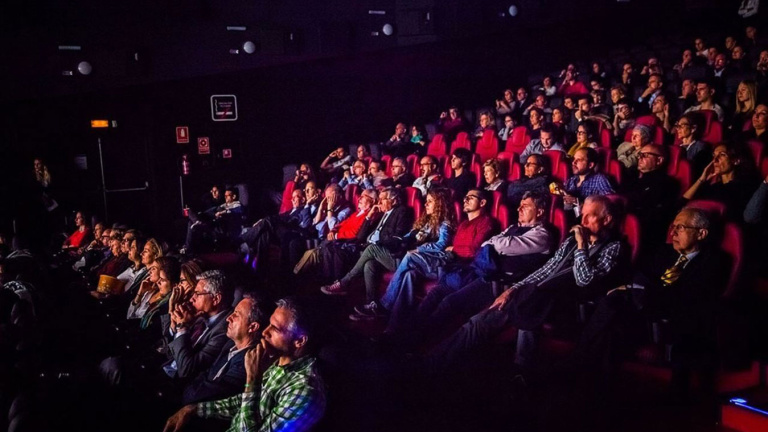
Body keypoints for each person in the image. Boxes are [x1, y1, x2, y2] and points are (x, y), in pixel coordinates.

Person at [427, 195, 626, 370]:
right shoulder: (570, 241)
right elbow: (546, 270)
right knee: (479, 321)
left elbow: (585, 280)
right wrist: (513, 289)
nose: (582, 221)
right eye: (582, 215)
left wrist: (582, 245)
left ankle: (521, 371)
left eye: (590, 216)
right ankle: (433, 361)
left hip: (566, 303)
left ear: (607, 219)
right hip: (538, 293)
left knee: (528, 306)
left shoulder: (613, 247)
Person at [576, 208, 728, 394]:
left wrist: (638, 291)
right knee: (611, 316)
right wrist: (636, 290)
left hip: (676, 315)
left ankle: (581, 366)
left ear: (701, 233)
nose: (673, 233)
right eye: (673, 227)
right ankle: (597, 384)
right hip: (644, 307)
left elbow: (691, 295)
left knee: (613, 308)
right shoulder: (664, 252)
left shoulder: (715, 261)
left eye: (680, 227)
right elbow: (641, 275)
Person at [163, 297, 326, 432]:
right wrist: (194, 409)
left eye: (275, 329)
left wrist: (253, 380)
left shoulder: (305, 391)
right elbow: (241, 403)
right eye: (268, 324)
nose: (265, 332)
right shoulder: (277, 361)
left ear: (299, 341)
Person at [416, 191, 554, 339]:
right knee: (438, 291)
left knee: (449, 303)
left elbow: (501, 244)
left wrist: (493, 245)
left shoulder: (541, 235)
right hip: (482, 270)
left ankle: (421, 339)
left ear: (539, 212)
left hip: (497, 282)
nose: (518, 209)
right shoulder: (513, 227)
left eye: (525, 206)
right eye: (519, 205)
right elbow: (490, 243)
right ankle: (412, 330)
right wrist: (494, 245)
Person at [348, 189, 465, 333]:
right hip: (411, 257)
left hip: (428, 260)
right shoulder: (426, 222)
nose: (426, 204)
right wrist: (398, 242)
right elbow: (407, 237)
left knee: (407, 256)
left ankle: (383, 304)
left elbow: (441, 245)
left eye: (430, 201)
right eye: (426, 201)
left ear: (439, 204)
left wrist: (419, 249)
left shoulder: (444, 224)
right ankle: (392, 325)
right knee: (403, 273)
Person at [320, 187, 413, 300]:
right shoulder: (381, 213)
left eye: (383, 199)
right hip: (370, 248)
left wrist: (377, 243)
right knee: (369, 265)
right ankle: (371, 302)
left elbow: (397, 237)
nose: (379, 202)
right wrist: (369, 216)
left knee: (370, 249)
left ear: (393, 201)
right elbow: (360, 237)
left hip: (390, 253)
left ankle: (343, 283)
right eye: (379, 199)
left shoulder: (402, 211)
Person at [180, 293, 273, 405]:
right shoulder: (230, 344)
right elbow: (206, 374)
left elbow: (207, 396)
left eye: (236, 315)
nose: (229, 318)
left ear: (252, 327)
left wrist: (184, 393)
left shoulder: (249, 362)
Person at [292, 189, 378, 278]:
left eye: (363, 197)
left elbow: (355, 233)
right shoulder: (356, 213)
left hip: (341, 243)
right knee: (307, 250)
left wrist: (335, 234)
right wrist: (332, 230)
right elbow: (340, 225)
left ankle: (296, 276)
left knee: (314, 253)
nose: (359, 198)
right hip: (329, 238)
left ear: (372, 201)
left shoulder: (365, 216)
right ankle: (297, 275)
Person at [165, 270, 233, 379]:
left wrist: (182, 328)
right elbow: (168, 351)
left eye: (198, 294)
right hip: (166, 367)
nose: (192, 298)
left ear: (216, 299)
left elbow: (187, 370)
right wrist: (174, 326)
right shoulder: (199, 314)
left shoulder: (224, 331)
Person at [682, 143, 760, 222]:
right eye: (714, 155)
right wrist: (701, 179)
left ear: (736, 161)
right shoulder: (714, 187)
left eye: (722, 155)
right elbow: (683, 203)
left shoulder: (744, 187)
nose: (715, 160)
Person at [622, 144, 679, 249]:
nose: (640, 158)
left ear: (659, 160)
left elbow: (654, 211)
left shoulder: (667, 183)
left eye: (645, 155)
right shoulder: (633, 177)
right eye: (640, 155)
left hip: (646, 231)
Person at [675, 112, 711, 178]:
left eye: (682, 126)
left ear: (693, 128)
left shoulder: (700, 147)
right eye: (677, 126)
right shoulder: (676, 147)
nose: (678, 129)